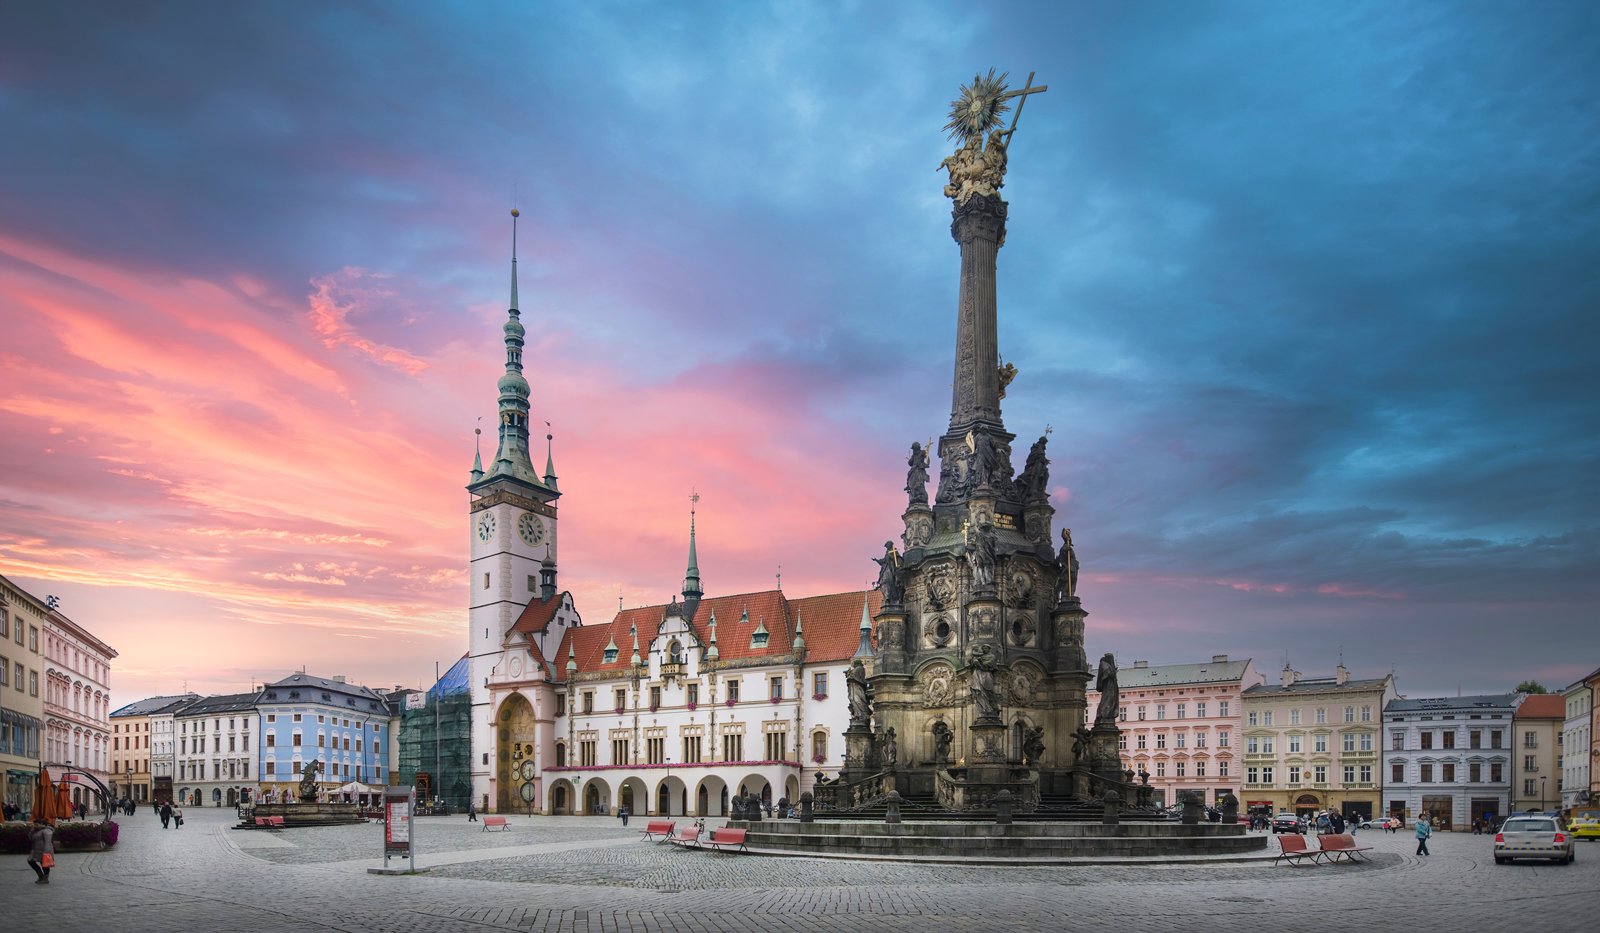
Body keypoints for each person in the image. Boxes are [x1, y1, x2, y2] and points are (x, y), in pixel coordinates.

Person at [28, 816, 54, 884]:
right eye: (34, 824)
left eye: (36, 824)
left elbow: (48, 842)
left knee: (44, 864)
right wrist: (32, 830)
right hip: (35, 850)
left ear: (42, 824)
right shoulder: (36, 830)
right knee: (30, 861)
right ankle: (41, 876)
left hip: (44, 850)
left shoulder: (47, 830)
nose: (34, 825)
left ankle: (45, 878)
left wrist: (46, 852)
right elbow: (30, 838)